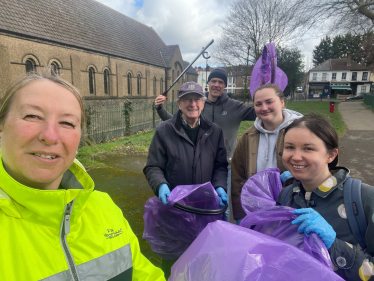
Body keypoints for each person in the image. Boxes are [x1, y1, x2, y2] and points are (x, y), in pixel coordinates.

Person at [0, 70, 165, 281]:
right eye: (32, 116)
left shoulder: (103, 208)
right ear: (1, 127)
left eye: (67, 123)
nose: (50, 136)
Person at [144, 81, 228, 278]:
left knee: (204, 261)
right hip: (174, 209)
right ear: (179, 104)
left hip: (205, 210)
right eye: (187, 100)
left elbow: (220, 165)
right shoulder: (164, 131)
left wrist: (220, 186)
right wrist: (161, 186)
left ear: (203, 102)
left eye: (197, 99)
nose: (193, 104)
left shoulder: (214, 131)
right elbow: (153, 166)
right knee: (174, 263)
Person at [277, 113, 374, 281]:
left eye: (308, 148)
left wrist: (334, 246)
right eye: (290, 147)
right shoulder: (286, 195)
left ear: (331, 155)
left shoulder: (364, 199)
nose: (296, 156)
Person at [154, 68, 256, 221]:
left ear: (225, 86)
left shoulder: (235, 106)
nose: (216, 85)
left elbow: (259, 111)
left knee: (222, 208)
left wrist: (268, 89)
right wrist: (160, 108)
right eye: (213, 81)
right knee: (197, 207)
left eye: (220, 82)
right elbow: (175, 123)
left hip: (225, 167)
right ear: (208, 83)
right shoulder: (198, 103)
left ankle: (218, 237)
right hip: (200, 164)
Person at [231, 84, 302, 224]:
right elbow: (237, 176)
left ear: (282, 102)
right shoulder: (248, 136)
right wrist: (240, 212)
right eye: (258, 104)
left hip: (292, 211)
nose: (264, 108)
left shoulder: (301, 131)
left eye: (269, 102)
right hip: (257, 212)